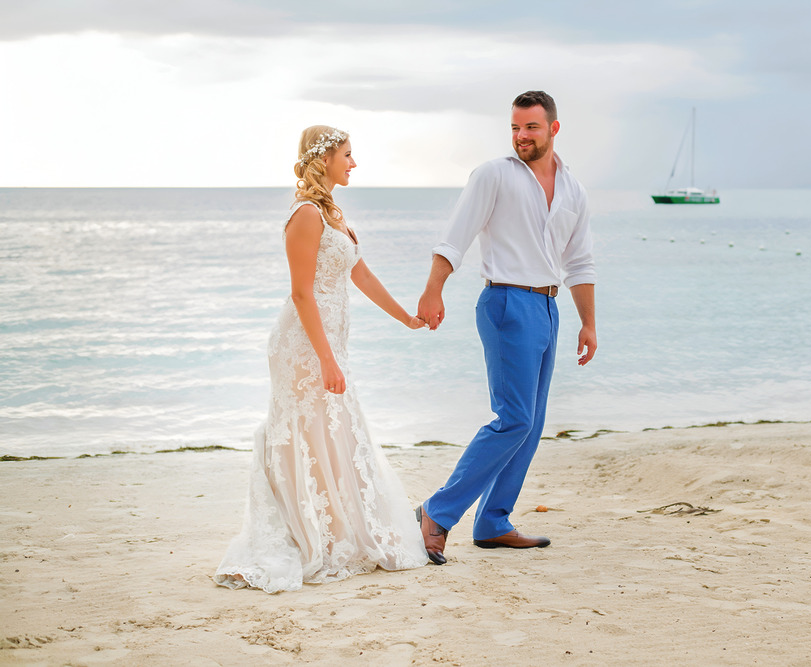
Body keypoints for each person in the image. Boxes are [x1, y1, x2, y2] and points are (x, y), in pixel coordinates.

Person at [214, 126, 428, 592]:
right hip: (303, 345)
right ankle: (308, 536)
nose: (354, 163)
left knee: (332, 434)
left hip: (331, 343)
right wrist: (326, 360)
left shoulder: (335, 214)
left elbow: (362, 275)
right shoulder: (306, 215)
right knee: (308, 433)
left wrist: (406, 319)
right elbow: (301, 294)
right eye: (348, 155)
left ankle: (335, 531)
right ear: (325, 158)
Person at [415, 91, 597, 564]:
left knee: (531, 425)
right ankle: (437, 512)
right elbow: (455, 236)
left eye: (531, 128)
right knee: (513, 417)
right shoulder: (493, 175)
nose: (521, 137)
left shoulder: (573, 190)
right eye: (515, 128)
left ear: (553, 129)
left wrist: (588, 323)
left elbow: (579, 261)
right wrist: (434, 289)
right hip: (505, 301)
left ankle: (493, 520)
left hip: (549, 307)